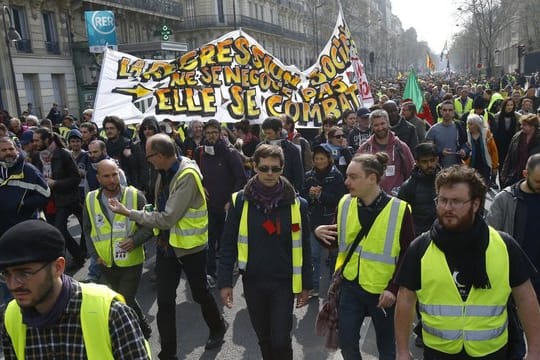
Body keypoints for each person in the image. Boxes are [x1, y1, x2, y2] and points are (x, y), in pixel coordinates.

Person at [395, 166, 540, 360]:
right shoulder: (420, 247)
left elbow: (526, 299)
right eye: (442, 200)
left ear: (476, 204)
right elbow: (405, 299)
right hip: (439, 352)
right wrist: (402, 351)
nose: (447, 208)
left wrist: (535, 352)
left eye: (456, 201)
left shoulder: (504, 246)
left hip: (491, 353)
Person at [108, 133, 227, 359]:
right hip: (167, 246)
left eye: (149, 155)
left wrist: (128, 212)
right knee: (164, 301)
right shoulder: (164, 171)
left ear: (161, 155)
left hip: (190, 247)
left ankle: (218, 327)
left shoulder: (187, 175)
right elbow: (159, 207)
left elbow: (167, 218)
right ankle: (168, 354)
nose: (147, 159)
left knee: (200, 293)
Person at [0, 220, 151, 359]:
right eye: (6, 274)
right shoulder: (11, 317)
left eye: (24, 273)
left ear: (58, 268)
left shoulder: (112, 313)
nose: (13, 285)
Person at [315, 152, 415, 360]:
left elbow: (408, 252)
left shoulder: (399, 209)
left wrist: (393, 289)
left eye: (353, 177)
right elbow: (337, 242)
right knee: (347, 343)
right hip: (351, 284)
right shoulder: (344, 203)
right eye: (347, 176)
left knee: (387, 349)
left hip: (383, 291)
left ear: (372, 178)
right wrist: (320, 234)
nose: (346, 181)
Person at [218, 144, 313, 359]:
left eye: (275, 169)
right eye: (264, 168)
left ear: (282, 168)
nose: (269, 174)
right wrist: (224, 283)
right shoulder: (240, 202)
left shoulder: (299, 205)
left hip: (284, 282)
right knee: (264, 338)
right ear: (254, 167)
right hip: (253, 282)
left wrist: (307, 285)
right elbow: (227, 244)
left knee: (280, 339)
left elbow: (305, 247)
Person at [83, 159, 153, 339]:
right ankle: (144, 327)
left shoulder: (135, 195)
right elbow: (88, 229)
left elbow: (151, 225)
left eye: (114, 174)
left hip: (132, 261)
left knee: (122, 301)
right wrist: (94, 255)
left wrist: (135, 240)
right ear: (98, 178)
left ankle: (131, 339)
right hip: (106, 262)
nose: (112, 180)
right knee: (125, 298)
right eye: (106, 176)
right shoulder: (90, 199)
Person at [194, 119, 247, 287]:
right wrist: (201, 187)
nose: (211, 136)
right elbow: (194, 173)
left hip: (226, 206)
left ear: (220, 133)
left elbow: (241, 179)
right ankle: (210, 273)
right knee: (209, 240)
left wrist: (231, 201)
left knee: (226, 240)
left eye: (214, 132)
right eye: (208, 133)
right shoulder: (199, 152)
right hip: (208, 205)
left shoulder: (230, 153)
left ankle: (226, 272)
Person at [32, 127, 86, 270]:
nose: (34, 143)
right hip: (48, 200)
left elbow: (75, 179)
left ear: (47, 140)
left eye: (37, 140)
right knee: (57, 230)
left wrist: (56, 183)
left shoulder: (63, 155)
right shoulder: (36, 156)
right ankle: (79, 254)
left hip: (66, 200)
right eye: (33, 140)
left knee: (59, 230)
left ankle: (67, 261)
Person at [300, 144, 346, 297]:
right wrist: (311, 196)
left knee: (333, 255)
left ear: (329, 159)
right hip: (313, 220)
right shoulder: (308, 176)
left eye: (322, 158)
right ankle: (314, 286)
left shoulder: (337, 175)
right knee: (313, 254)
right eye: (316, 158)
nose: (319, 161)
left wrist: (321, 195)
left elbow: (339, 200)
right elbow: (302, 199)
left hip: (331, 220)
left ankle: (335, 285)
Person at [358, 109, 415, 195]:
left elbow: (411, 172)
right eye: (376, 125)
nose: (380, 128)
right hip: (372, 199)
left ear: (388, 123)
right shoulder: (365, 148)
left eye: (382, 123)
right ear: (371, 127)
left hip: (397, 199)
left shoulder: (401, 147)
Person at [0, 136, 50, 235]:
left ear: (17, 150)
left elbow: (46, 194)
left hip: (25, 228)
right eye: (3, 150)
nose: (8, 152)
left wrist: (23, 204)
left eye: (11, 149)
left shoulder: (30, 171)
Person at [398, 142, 440, 236]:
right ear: (417, 162)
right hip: (419, 237)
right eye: (424, 161)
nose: (429, 165)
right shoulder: (409, 187)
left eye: (432, 160)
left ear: (437, 159)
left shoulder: (446, 182)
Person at [260, 117, 304, 190]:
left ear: (279, 130)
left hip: (285, 192)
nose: (267, 136)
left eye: (269, 133)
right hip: (262, 191)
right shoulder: (260, 148)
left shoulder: (292, 149)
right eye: (265, 133)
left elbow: (298, 176)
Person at [500, 114, 540, 188]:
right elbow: (509, 156)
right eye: (521, 124)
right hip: (515, 173)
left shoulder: (538, 139)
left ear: (532, 126)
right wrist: (504, 173)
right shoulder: (517, 137)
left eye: (524, 125)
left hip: (533, 176)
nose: (521, 127)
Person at [426, 100, 469, 168]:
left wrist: (464, 151)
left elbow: (466, 145)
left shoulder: (459, 126)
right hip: (439, 169)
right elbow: (429, 151)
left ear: (454, 112)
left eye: (450, 110)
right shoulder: (433, 130)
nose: (447, 112)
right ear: (441, 112)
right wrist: (441, 153)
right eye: (445, 110)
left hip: (457, 169)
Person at [464, 114, 499, 185]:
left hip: (485, 165)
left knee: (483, 186)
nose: (469, 126)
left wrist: (495, 165)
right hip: (470, 166)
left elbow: (493, 150)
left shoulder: (486, 133)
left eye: (471, 124)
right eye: (468, 124)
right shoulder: (465, 134)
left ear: (477, 125)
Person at [492, 97, 520, 173]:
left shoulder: (518, 116)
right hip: (500, 145)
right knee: (501, 165)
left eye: (511, 105)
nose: (509, 107)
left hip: (513, 144)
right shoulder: (497, 116)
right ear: (504, 106)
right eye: (507, 105)